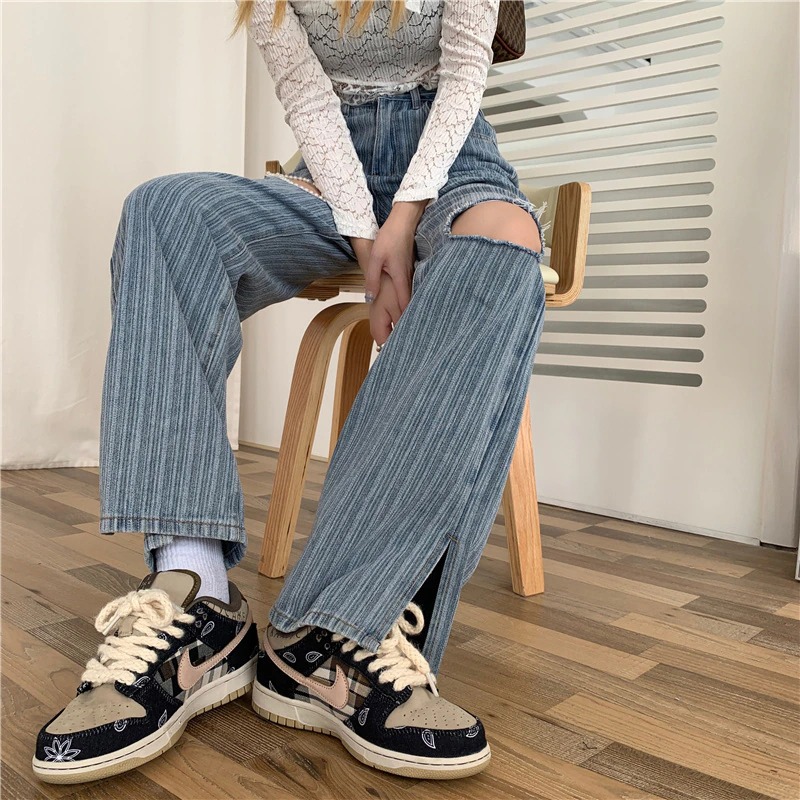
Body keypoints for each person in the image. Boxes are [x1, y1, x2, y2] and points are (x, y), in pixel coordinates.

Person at [33, 0, 547, 785]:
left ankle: (340, 626)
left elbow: (463, 80)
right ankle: (195, 594)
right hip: (328, 176)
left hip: (453, 168)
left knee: (502, 244)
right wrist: (365, 232)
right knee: (166, 211)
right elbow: (309, 99)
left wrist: (404, 218)